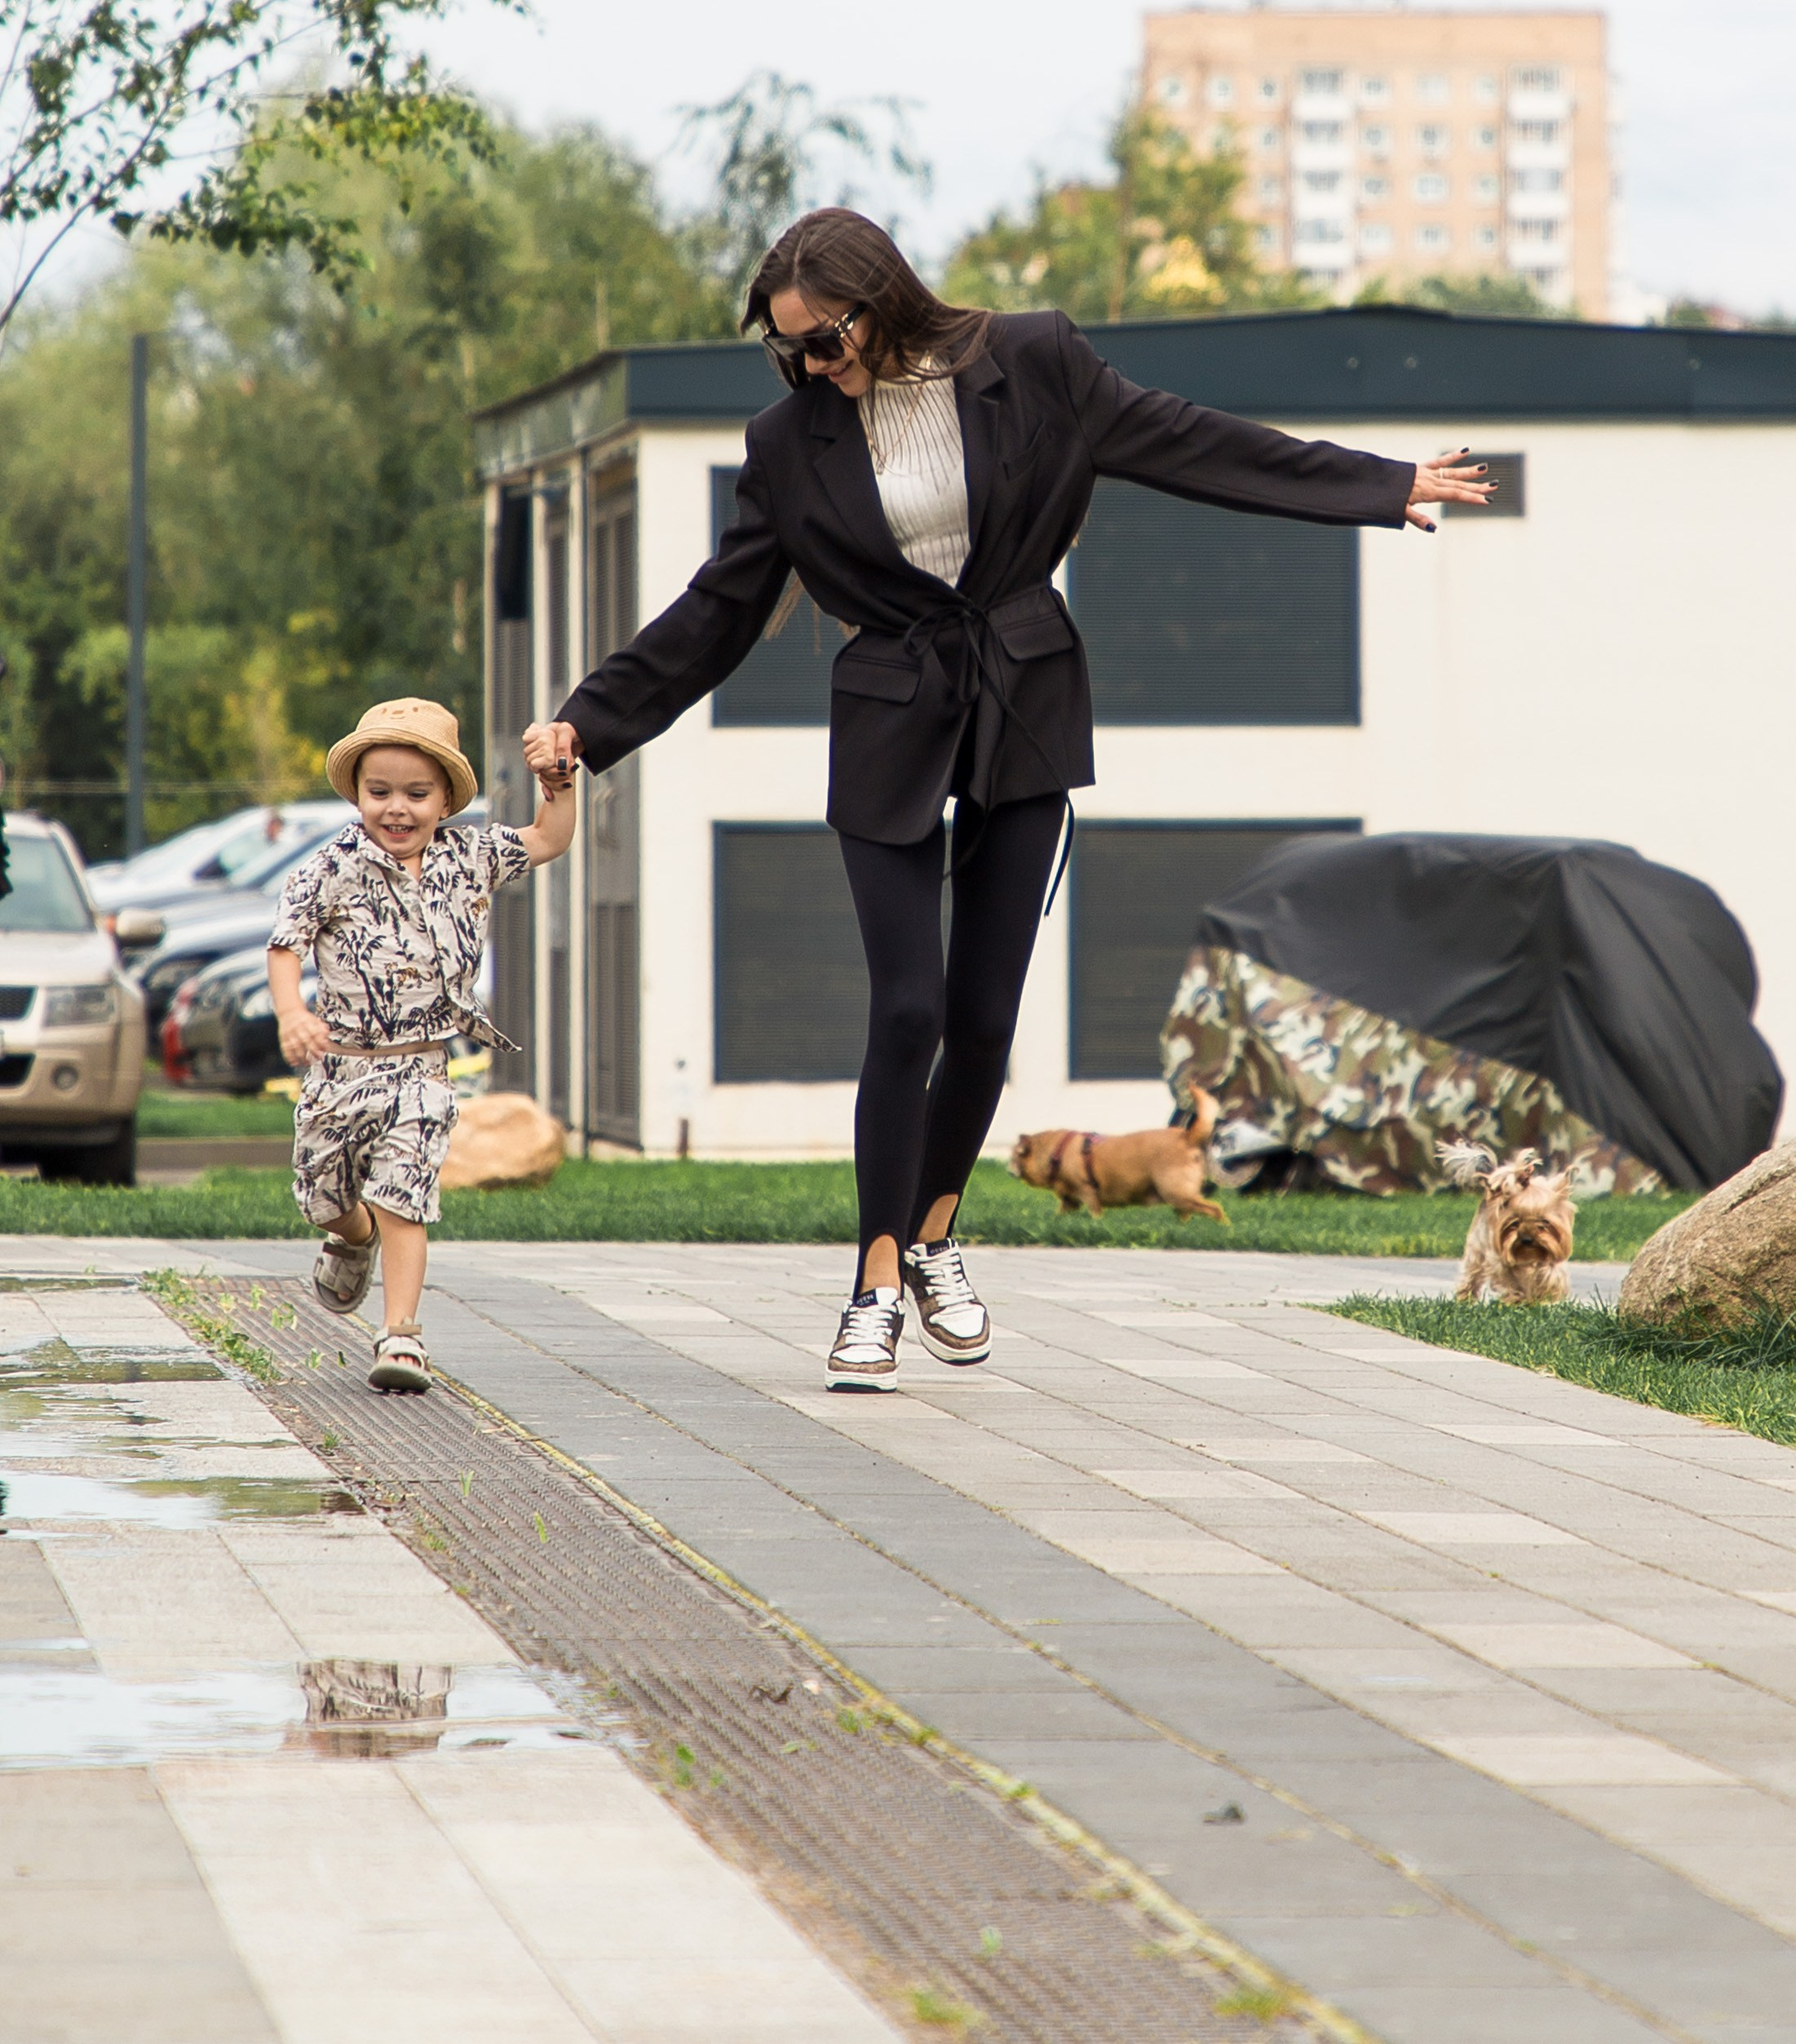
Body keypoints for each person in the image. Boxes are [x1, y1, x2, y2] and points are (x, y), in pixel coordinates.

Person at [524, 210, 1490, 1391]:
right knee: (906, 1010)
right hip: (886, 719)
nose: (811, 368)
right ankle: (875, 1278)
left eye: (823, 341)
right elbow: (717, 609)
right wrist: (591, 717)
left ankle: (933, 1233)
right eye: (790, 353)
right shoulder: (786, 442)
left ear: (879, 302)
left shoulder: (1030, 360)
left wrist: (1373, 485)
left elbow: (1184, 440)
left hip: (1023, 699)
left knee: (983, 1014)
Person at [268, 696, 574, 1391]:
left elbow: (550, 839)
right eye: (379, 793)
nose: (396, 809)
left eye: (416, 793)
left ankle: (402, 1336)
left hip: (421, 1069)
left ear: (445, 799)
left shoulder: (471, 856)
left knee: (404, 1193)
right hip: (339, 1068)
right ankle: (353, 1235)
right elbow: (286, 944)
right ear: (357, 793)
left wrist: (559, 786)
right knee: (324, 1195)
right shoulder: (331, 866)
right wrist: (292, 1012)